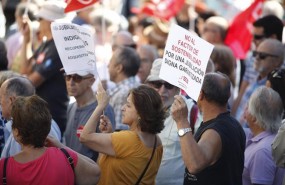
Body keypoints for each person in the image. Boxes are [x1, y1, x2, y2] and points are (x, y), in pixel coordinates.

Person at [0, 95, 100, 185]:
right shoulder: (65, 157)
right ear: (47, 127)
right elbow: (95, 173)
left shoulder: (4, 167)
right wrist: (61, 146)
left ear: (16, 132)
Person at [80, 84, 165, 184]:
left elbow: (85, 137)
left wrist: (101, 106)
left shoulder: (128, 139)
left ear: (141, 114)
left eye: (128, 105)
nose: (123, 108)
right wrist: (109, 134)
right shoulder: (157, 141)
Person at [171, 72, 246, 184]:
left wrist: (182, 122)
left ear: (200, 94)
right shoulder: (234, 124)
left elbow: (194, 164)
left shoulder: (214, 132)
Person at [145, 58, 202, 185]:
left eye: (169, 85)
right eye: (157, 84)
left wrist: (183, 122)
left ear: (178, 88)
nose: (162, 90)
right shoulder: (141, 107)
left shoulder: (191, 111)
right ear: (149, 85)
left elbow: (201, 156)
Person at [19, 0, 69, 135]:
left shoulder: (58, 47)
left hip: (52, 117)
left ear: (51, 22)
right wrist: (26, 39)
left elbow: (30, 83)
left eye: (40, 19)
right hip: (43, 116)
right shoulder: (47, 44)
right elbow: (25, 69)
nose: (38, 22)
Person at [232, 15, 284, 116]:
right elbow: (242, 92)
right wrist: (232, 118)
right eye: (257, 55)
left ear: (273, 37)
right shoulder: (253, 56)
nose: (252, 40)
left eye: (257, 37)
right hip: (242, 119)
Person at [0, 76, 61, 158]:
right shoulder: (47, 121)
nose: (0, 102)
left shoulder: (29, 127)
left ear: (11, 100)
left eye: (1, 97)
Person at [63, 71, 115, 161]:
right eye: (68, 77)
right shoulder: (70, 108)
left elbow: (106, 150)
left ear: (91, 81)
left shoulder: (103, 109)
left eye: (77, 78)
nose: (70, 83)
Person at [234, 38, 284, 126]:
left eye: (262, 55)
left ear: (277, 61)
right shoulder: (255, 80)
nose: (256, 58)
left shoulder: (275, 89)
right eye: (255, 53)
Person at [243, 86, 285, 184]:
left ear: (254, 118)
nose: (245, 108)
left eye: (248, 105)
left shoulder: (262, 152)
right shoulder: (261, 138)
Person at [108, 46, 140, 130]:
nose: (108, 66)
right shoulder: (139, 87)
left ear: (119, 68)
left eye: (110, 62)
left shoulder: (123, 94)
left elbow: (120, 131)